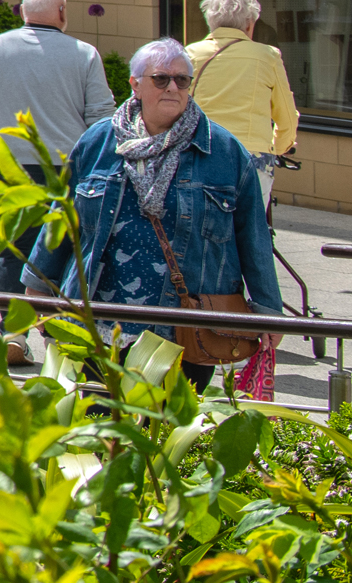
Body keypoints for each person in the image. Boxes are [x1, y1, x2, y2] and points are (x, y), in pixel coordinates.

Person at [25, 39, 282, 393]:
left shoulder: (224, 153)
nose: (173, 87)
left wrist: (269, 311)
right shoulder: (99, 142)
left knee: (165, 434)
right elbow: (62, 217)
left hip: (185, 329)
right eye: (161, 79)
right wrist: (36, 288)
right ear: (136, 85)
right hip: (101, 323)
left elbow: (253, 235)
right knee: (101, 425)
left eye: (182, 80)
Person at [0, 0, 117, 360]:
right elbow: (103, 115)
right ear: (61, 13)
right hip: (68, 171)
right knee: (65, 250)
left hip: (10, 169)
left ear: (23, 12)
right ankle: (61, 337)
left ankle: (14, 333)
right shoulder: (84, 53)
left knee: (14, 251)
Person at [187, 0, 299, 219]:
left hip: (202, 152)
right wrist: (280, 147)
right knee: (250, 232)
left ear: (211, 21)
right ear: (250, 23)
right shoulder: (267, 56)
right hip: (252, 155)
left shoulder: (190, 54)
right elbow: (286, 114)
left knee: (201, 227)